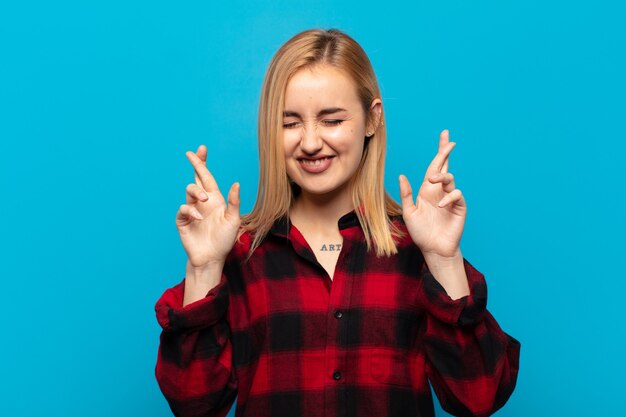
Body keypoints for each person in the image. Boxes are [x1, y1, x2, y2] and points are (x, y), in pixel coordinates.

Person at [154, 28, 520, 417]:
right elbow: (193, 404)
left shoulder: (416, 248)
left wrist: (444, 259)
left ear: (371, 119)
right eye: (290, 123)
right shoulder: (242, 253)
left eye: (331, 120)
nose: (310, 142)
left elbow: (479, 397)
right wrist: (204, 267)